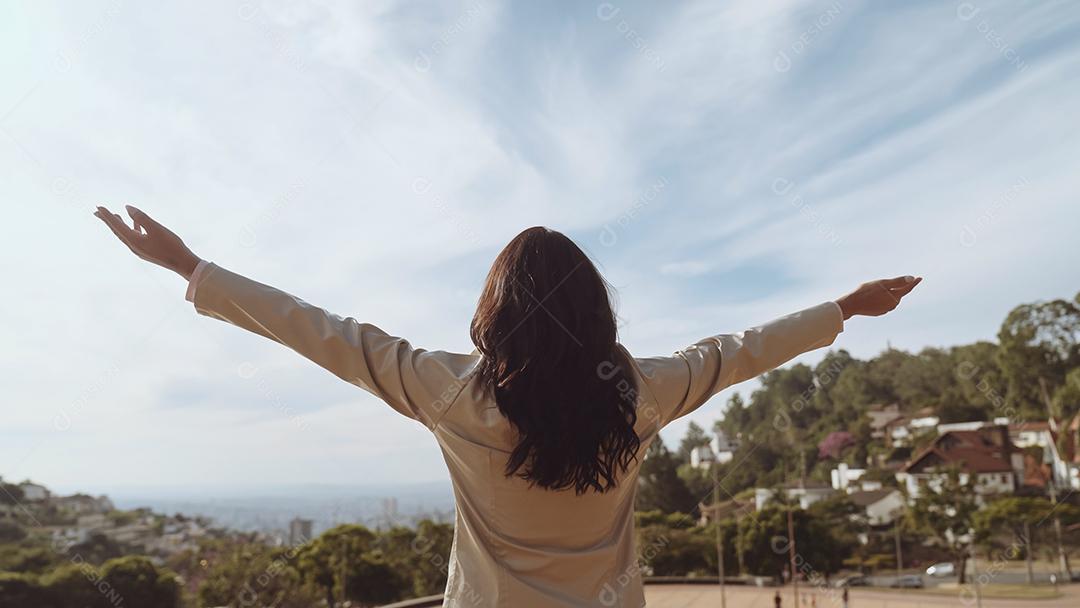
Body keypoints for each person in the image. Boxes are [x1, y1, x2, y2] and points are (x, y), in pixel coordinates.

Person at [94, 206, 921, 607]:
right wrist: (841, 309)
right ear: (598, 311)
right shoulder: (640, 394)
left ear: (495, 311)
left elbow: (324, 335)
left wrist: (193, 269)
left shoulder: (449, 393)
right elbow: (738, 352)